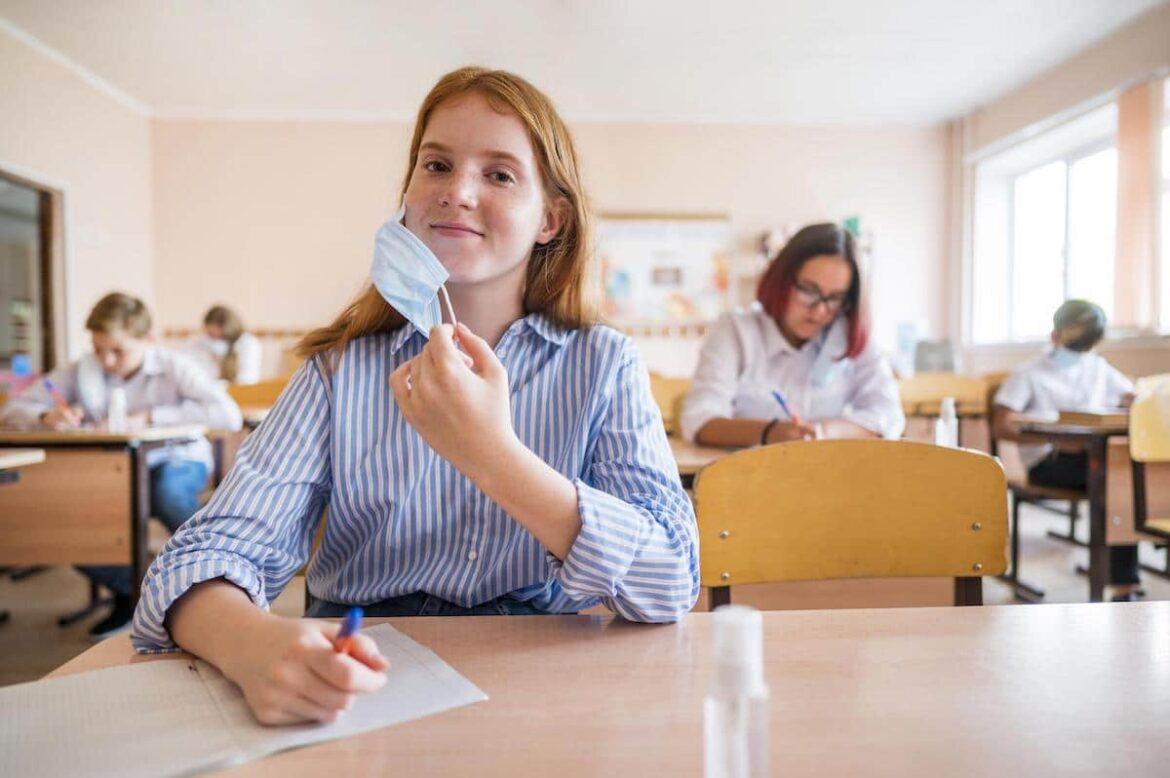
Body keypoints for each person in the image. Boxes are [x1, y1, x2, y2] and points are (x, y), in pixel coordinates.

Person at [131, 67, 700, 726]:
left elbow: (669, 582)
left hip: (542, 677)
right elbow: (200, 557)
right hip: (365, 672)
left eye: (499, 174)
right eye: (437, 165)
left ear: (550, 219)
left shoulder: (605, 364)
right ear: (407, 193)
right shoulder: (337, 371)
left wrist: (493, 455)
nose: (457, 192)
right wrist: (254, 646)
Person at [0, 292, 242, 635]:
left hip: (176, 459)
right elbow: (13, 409)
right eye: (98, 349)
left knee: (167, 493)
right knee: (65, 517)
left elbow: (228, 414)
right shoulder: (82, 370)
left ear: (148, 339)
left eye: (118, 350)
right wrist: (45, 415)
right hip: (112, 470)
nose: (107, 360)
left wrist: (151, 416)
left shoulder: (174, 366)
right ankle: (134, 592)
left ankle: (220, 575)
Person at [680, 223, 904, 446]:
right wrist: (772, 433)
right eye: (809, 290)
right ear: (782, 280)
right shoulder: (735, 331)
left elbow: (888, 415)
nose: (819, 311)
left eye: (835, 298)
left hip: (825, 466)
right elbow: (699, 420)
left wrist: (823, 432)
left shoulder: (850, 335)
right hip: (748, 467)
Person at [993, 299, 1139, 601]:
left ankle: (1124, 575)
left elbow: (1132, 397)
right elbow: (1002, 426)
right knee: (1120, 480)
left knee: (1127, 473)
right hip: (1048, 462)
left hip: (1092, 457)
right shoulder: (1029, 373)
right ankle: (1123, 583)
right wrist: (1056, 440)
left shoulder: (1097, 368)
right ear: (1055, 335)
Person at [184, 305, 263, 385]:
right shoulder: (197, 342)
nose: (215, 341)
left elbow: (248, 380)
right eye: (211, 335)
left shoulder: (248, 344)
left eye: (220, 337)